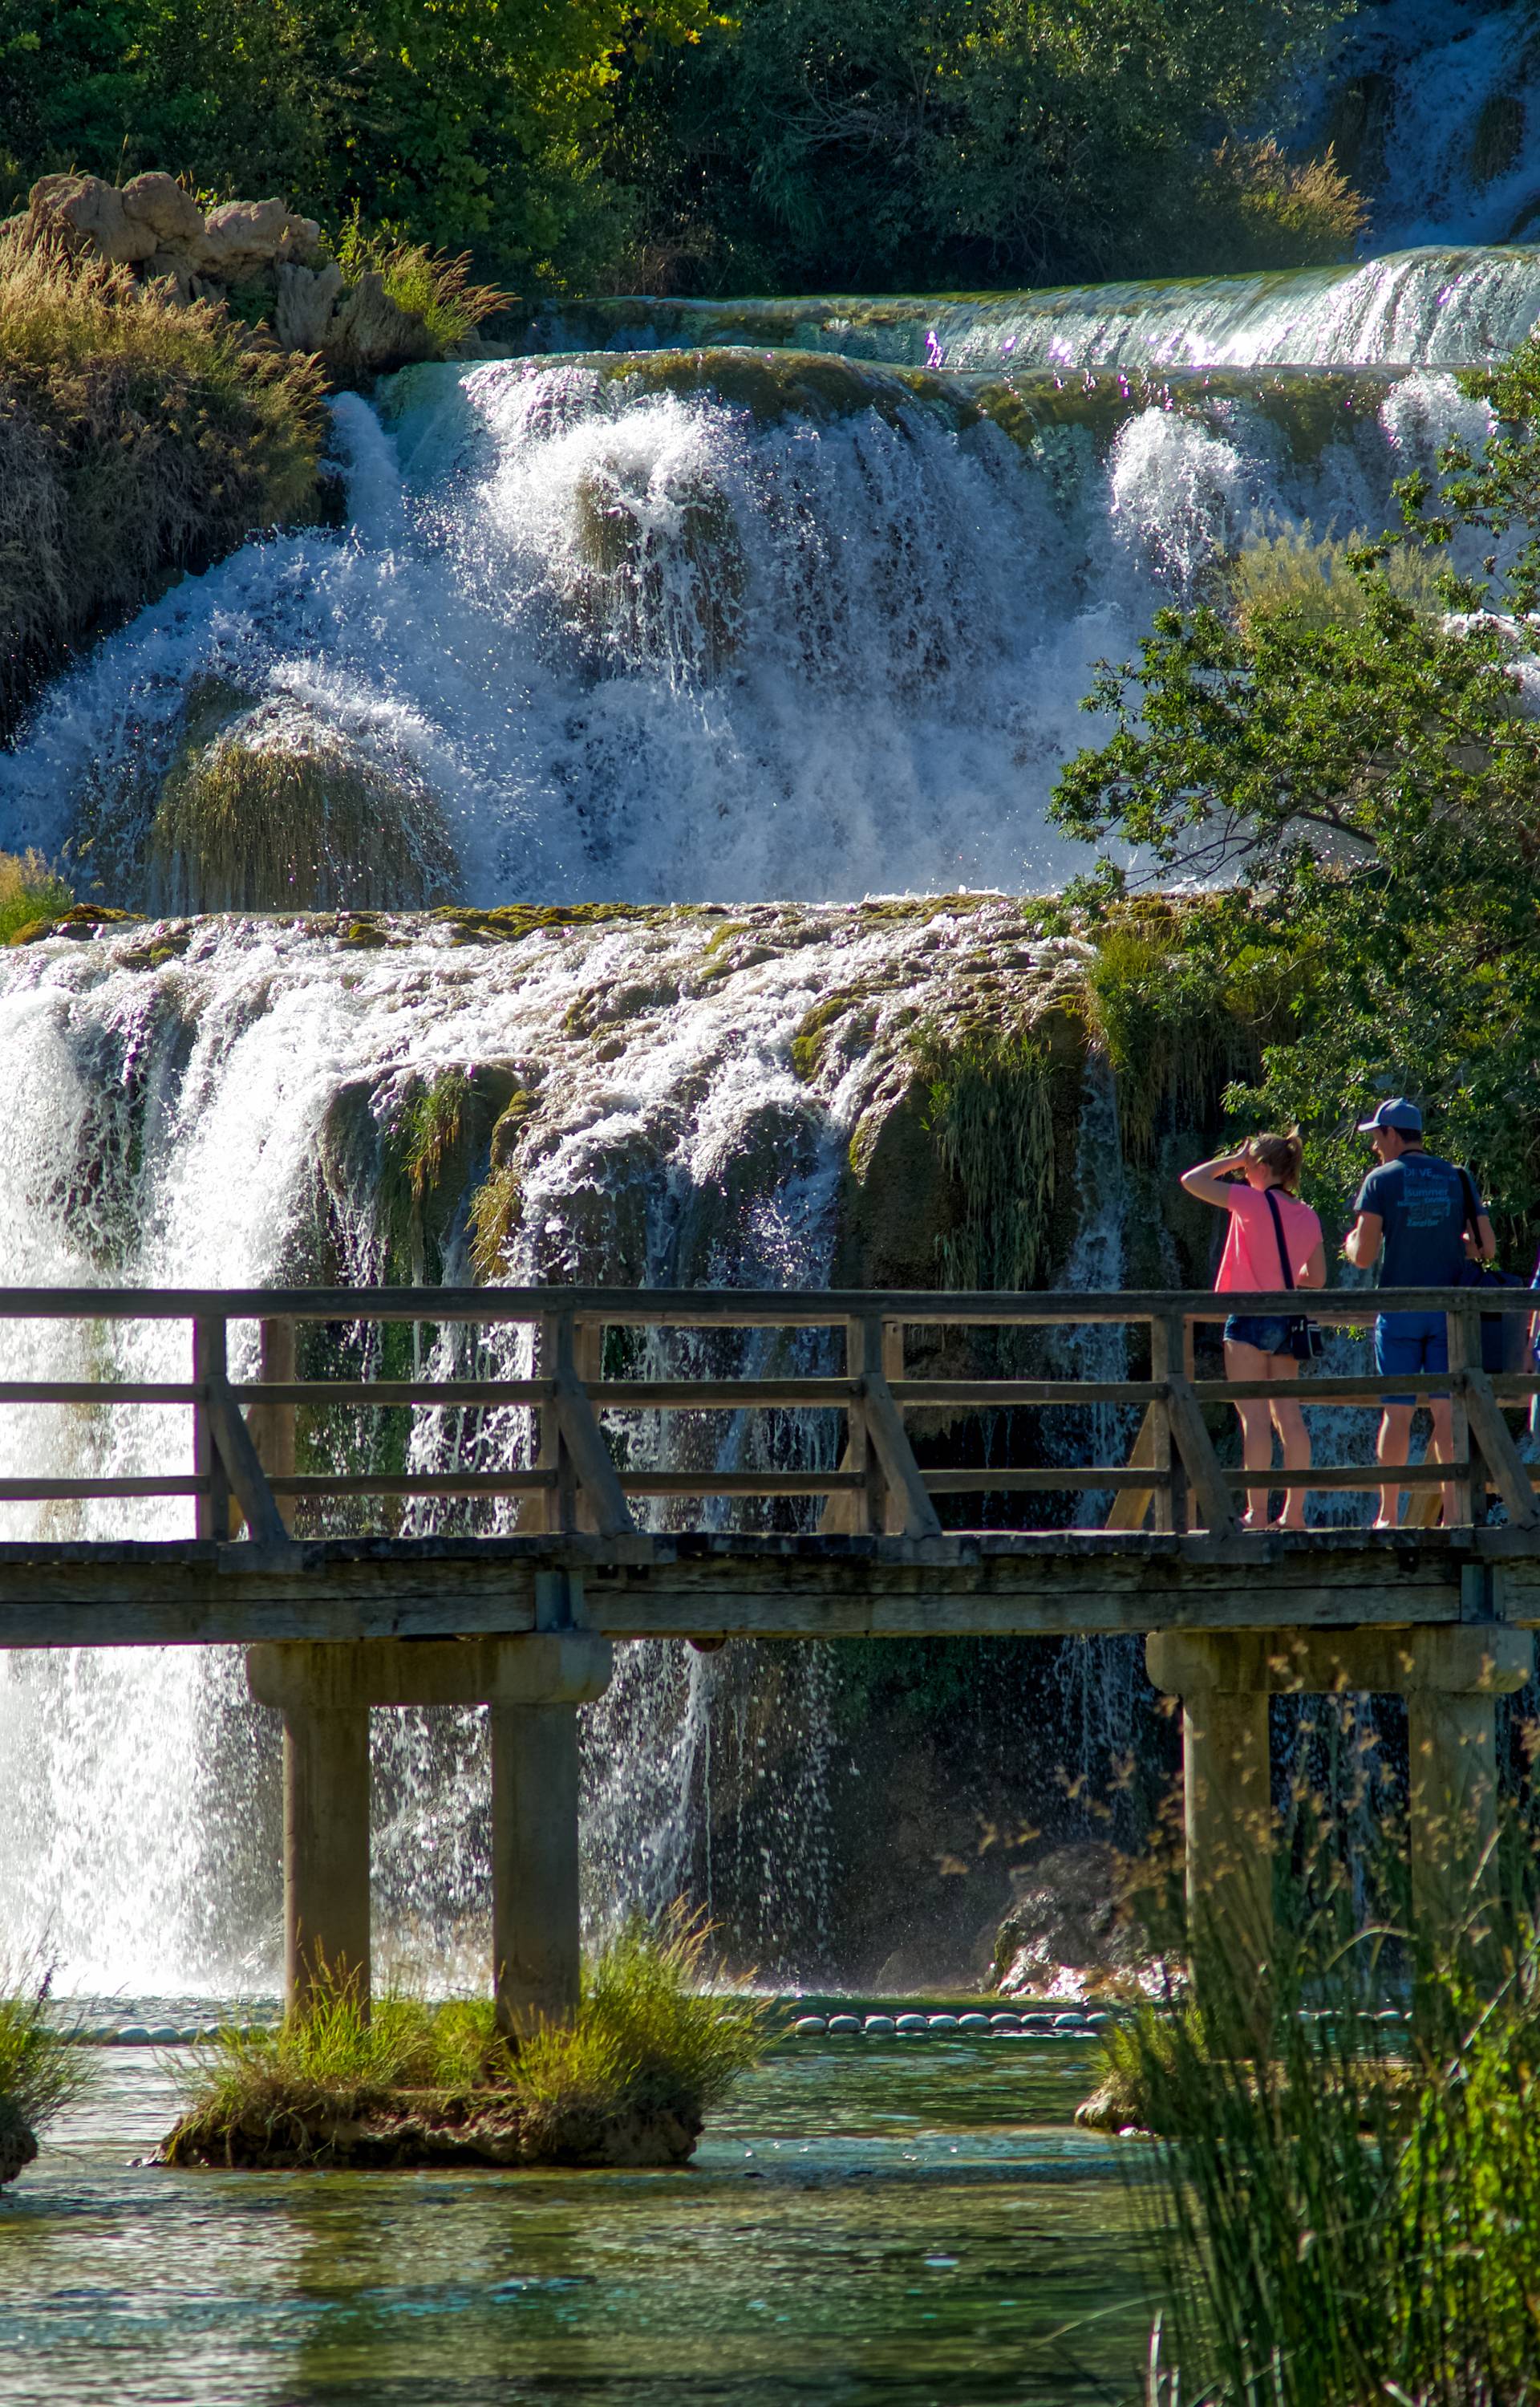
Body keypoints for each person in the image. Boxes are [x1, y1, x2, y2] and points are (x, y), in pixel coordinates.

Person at [1341, 1098, 1495, 1528]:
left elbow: (1365, 1255)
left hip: (1400, 1310)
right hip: (1449, 1312)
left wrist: (1351, 1243)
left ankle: (1389, 1515)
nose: (1375, 1146)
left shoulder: (1381, 1180)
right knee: (1447, 1413)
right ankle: (1453, 1515)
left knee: (1398, 1413)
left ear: (1392, 1134)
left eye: (1377, 1137)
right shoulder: (1457, 1176)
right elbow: (1488, 1248)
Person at [1181, 1134, 1325, 1529]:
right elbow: (1317, 1277)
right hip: (1288, 1319)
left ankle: (1258, 1514)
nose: (1244, 1175)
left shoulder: (1251, 1202)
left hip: (1247, 1317)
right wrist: (1281, 1273)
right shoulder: (1308, 1214)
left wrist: (1233, 1157)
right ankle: (1294, 1515)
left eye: (1249, 1168)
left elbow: (1192, 1181)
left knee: (1255, 1421)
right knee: (1290, 1420)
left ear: (1262, 1168)